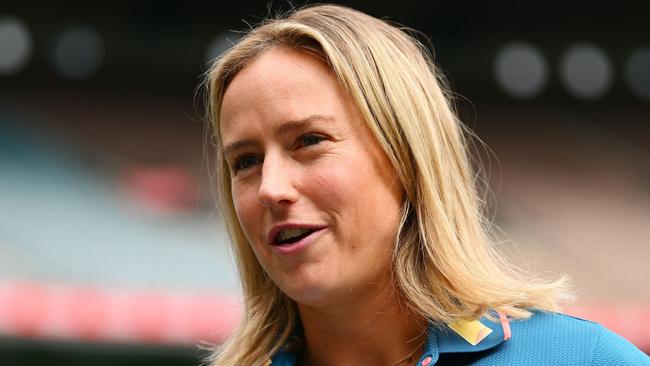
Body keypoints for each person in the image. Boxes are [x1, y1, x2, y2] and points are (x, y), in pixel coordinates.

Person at [204, 4, 649, 365]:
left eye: (309, 141)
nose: (269, 188)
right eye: (245, 161)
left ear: (407, 156)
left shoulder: (578, 359)